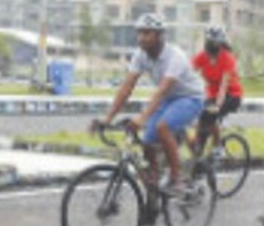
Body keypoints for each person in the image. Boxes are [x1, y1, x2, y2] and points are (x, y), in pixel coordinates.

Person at [98, 13, 205, 213]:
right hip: (168, 100)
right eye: (139, 33)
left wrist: (142, 117)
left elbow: (162, 90)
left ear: (160, 36)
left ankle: (177, 178)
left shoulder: (176, 56)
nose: (141, 38)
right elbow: (127, 87)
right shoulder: (140, 55)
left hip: (190, 98)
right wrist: (108, 118)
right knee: (147, 141)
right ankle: (155, 185)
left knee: (162, 127)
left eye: (147, 33)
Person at [191, 25, 243, 156]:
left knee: (211, 116)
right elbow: (188, 72)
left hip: (232, 95)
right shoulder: (202, 56)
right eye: (209, 41)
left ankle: (219, 146)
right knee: (201, 124)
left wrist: (217, 106)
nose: (211, 45)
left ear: (220, 43)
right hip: (212, 94)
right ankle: (198, 159)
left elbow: (224, 86)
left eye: (215, 42)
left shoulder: (227, 58)